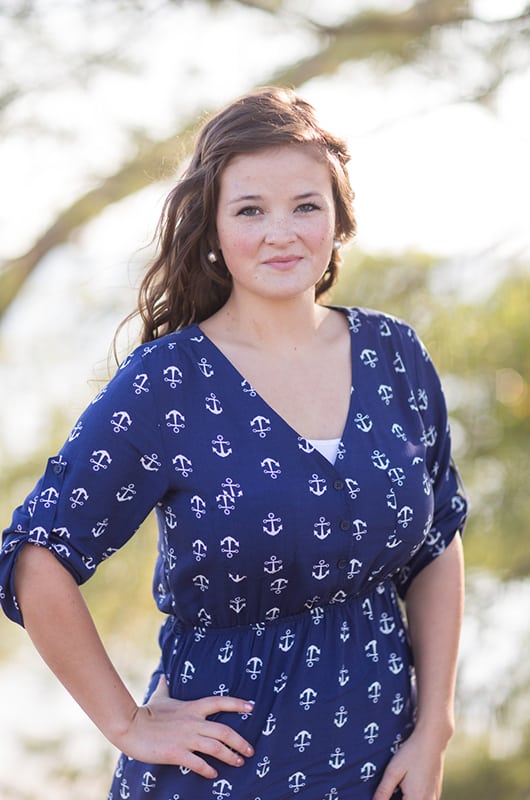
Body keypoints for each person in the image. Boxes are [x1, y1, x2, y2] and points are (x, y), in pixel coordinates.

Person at [0, 86, 467, 800]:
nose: (282, 232)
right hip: (224, 772)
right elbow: (37, 558)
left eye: (306, 205)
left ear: (340, 220)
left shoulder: (393, 354)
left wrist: (434, 723)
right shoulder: (168, 382)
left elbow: (438, 543)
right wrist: (127, 723)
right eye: (251, 210)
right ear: (213, 229)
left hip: (385, 762)